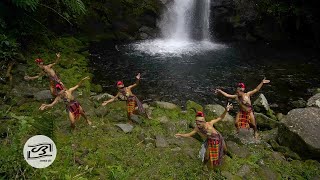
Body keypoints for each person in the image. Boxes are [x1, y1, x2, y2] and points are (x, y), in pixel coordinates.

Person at [175, 103, 233, 169]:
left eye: (199, 123)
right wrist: (180, 135)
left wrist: (226, 110)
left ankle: (222, 158)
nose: (197, 124)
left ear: (203, 121)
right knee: (206, 157)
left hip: (218, 138)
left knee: (225, 150)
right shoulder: (197, 128)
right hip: (210, 141)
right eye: (196, 122)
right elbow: (189, 134)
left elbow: (220, 117)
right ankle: (204, 166)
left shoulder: (210, 124)